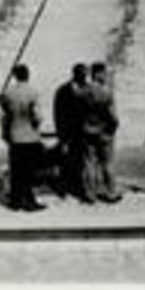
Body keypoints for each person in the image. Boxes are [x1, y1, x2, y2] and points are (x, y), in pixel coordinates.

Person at [0, 64, 46, 212]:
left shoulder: (7, 93)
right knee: (29, 170)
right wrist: (36, 125)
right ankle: (29, 201)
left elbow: (4, 117)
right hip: (30, 135)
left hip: (14, 135)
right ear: (28, 74)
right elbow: (38, 116)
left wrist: (5, 133)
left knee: (16, 170)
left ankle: (15, 201)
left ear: (15, 76)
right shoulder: (33, 92)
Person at [82, 62, 121, 203]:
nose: (105, 76)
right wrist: (114, 127)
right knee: (107, 163)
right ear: (97, 74)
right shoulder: (106, 92)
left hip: (87, 131)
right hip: (104, 132)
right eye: (104, 73)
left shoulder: (84, 91)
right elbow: (112, 117)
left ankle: (90, 194)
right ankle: (111, 193)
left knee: (89, 163)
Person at [52, 63, 90, 200]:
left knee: (82, 162)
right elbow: (58, 113)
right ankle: (63, 189)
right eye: (82, 74)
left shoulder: (88, 89)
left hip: (84, 132)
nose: (84, 77)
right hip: (68, 132)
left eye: (85, 74)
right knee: (66, 161)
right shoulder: (63, 90)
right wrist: (61, 134)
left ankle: (79, 188)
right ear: (75, 74)